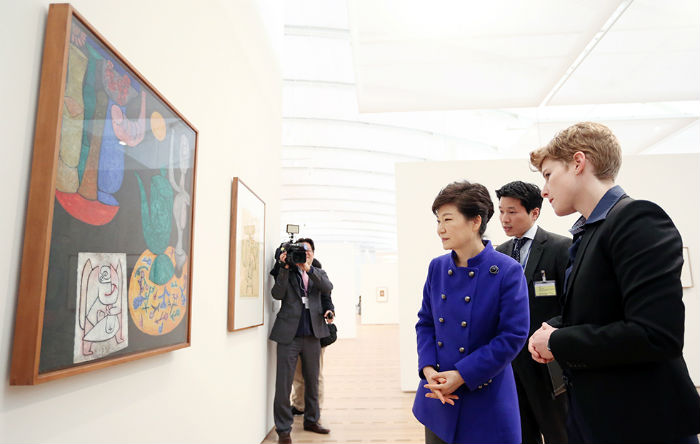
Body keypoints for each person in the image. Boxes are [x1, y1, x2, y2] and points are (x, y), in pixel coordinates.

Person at [527, 122, 700, 443]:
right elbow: (597, 314)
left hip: (644, 423)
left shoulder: (638, 219)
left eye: (548, 175)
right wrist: (551, 327)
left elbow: (655, 335)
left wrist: (557, 342)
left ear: (578, 162)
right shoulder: (589, 232)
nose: (544, 189)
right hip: (599, 418)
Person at [413, 180, 530, 444]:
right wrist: (429, 369)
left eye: (447, 219)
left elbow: (512, 336)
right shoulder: (437, 267)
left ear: (475, 221)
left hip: (486, 398)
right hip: (440, 395)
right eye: (437, 221)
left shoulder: (507, 271)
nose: (440, 229)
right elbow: (426, 323)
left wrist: (463, 375)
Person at [495, 181, 570, 444]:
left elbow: (571, 304)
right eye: (502, 211)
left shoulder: (561, 248)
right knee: (520, 433)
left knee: (558, 431)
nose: (505, 219)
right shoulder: (499, 254)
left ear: (534, 212)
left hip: (548, 362)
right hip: (510, 365)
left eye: (512, 211)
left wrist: (547, 334)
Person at [270, 237, 335, 444]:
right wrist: (283, 268)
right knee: (284, 384)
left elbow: (327, 287)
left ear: (313, 253)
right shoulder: (286, 271)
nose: (304, 253)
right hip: (289, 335)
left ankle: (312, 420)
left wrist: (310, 269)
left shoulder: (318, 272)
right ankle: (283, 430)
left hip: (313, 335)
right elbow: (277, 293)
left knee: (312, 381)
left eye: (308, 250)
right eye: (301, 250)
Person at [290, 256, 334, 416]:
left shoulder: (318, 273)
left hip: (316, 334)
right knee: (298, 374)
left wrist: (329, 311)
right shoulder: (294, 276)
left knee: (316, 375)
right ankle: (299, 404)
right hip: (298, 332)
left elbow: (327, 298)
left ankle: (316, 408)